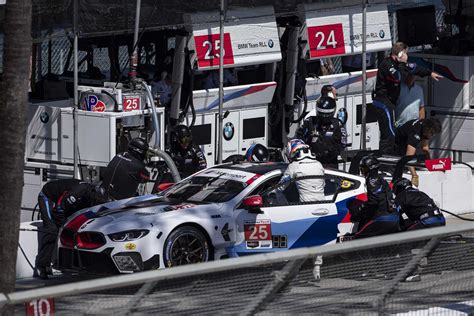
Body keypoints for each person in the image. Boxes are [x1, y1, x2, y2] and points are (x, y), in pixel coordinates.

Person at [372, 42, 443, 154]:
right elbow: (398, 76)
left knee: (392, 133)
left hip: (390, 103)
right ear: (400, 53)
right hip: (382, 102)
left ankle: (390, 160)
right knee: (390, 133)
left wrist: (430, 73)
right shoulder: (387, 64)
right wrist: (403, 63)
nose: (407, 55)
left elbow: (415, 68)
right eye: (405, 53)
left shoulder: (400, 65)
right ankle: (385, 163)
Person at [34, 179, 108, 279]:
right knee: (52, 230)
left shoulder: (92, 198)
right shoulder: (79, 191)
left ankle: (64, 263)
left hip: (65, 204)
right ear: (93, 193)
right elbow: (59, 210)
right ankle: (40, 266)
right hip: (48, 196)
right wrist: (63, 226)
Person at [351, 156, 400, 239]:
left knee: (357, 239)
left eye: (364, 168)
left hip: (382, 218)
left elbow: (374, 201)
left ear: (371, 168)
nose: (362, 171)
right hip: (394, 218)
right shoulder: (381, 179)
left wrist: (362, 209)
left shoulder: (372, 179)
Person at [296, 96, 343, 169]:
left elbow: (342, 144)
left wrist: (328, 152)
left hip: (330, 165)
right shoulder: (309, 122)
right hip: (311, 163)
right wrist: (308, 152)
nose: (324, 117)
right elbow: (299, 139)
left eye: (327, 114)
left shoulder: (337, 124)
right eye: (322, 114)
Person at [394, 118, 442, 187]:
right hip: (398, 142)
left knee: (418, 161)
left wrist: (430, 163)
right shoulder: (415, 134)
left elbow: (425, 148)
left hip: (407, 140)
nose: (433, 135)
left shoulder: (425, 127)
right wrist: (414, 175)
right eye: (432, 133)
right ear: (428, 130)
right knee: (410, 164)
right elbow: (408, 158)